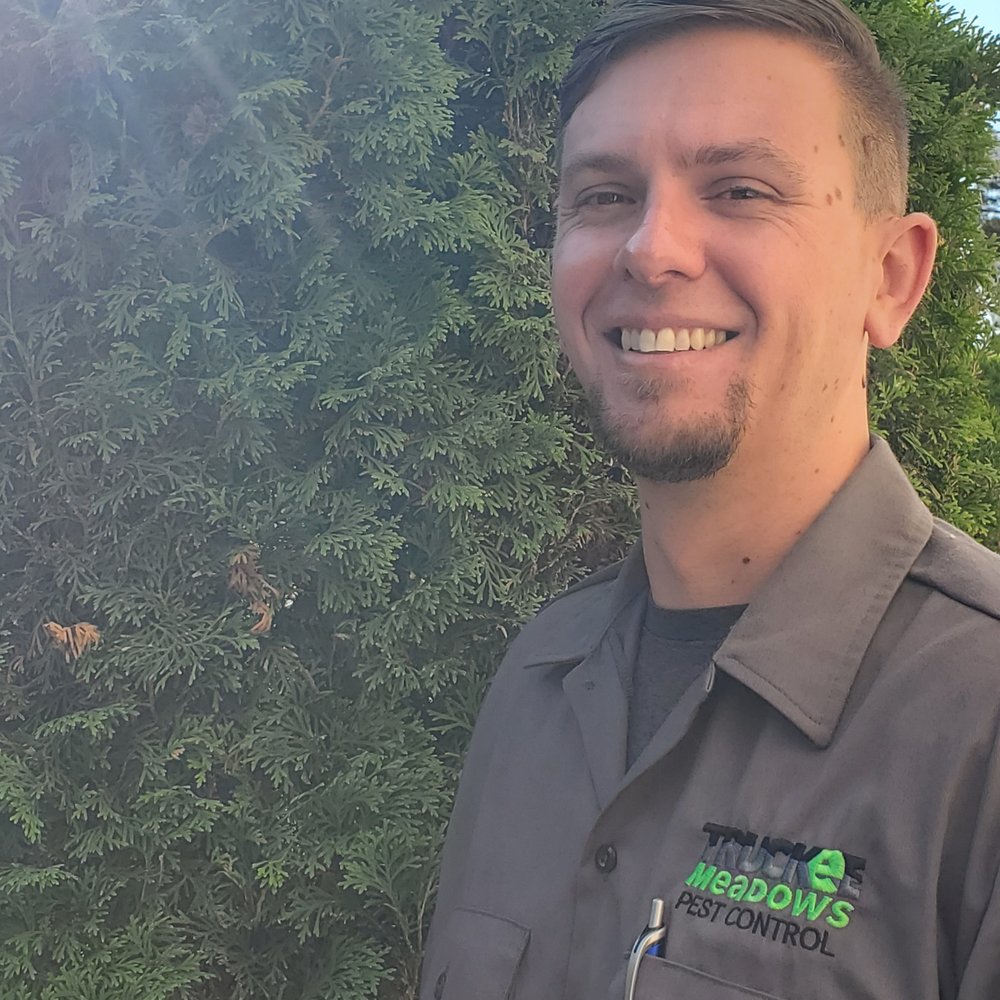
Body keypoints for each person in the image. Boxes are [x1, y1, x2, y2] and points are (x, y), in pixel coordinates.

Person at [419, 1, 1000, 998]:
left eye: (739, 189)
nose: (652, 249)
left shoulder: (978, 726)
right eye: (604, 195)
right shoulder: (537, 682)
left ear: (891, 277)